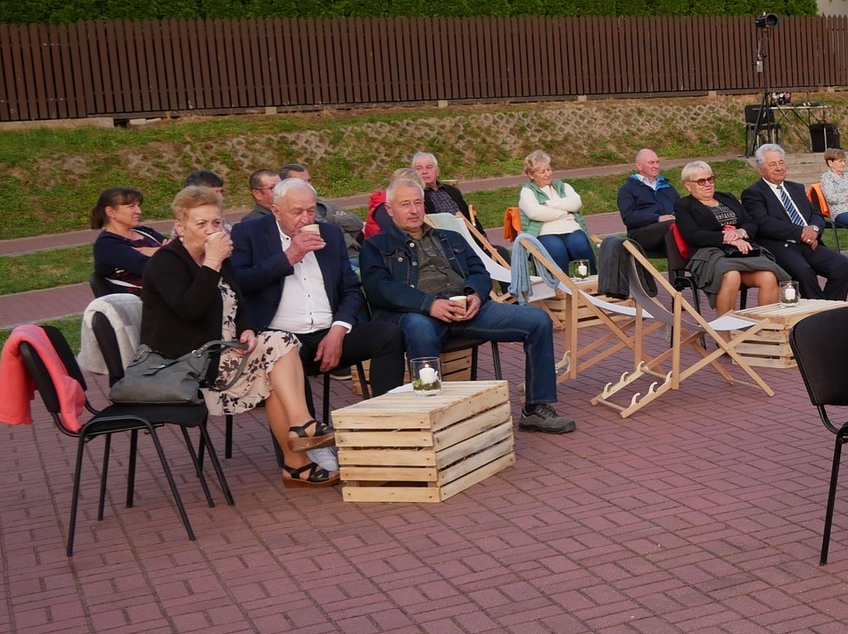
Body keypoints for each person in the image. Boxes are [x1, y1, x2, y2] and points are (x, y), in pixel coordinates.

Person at [139, 184, 338, 486]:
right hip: (187, 362)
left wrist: (246, 328)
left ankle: (298, 452)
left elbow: (240, 302)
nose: (211, 230)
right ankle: (300, 442)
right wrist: (213, 263)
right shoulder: (166, 262)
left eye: (216, 222)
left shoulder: (220, 257)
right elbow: (189, 309)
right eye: (201, 223)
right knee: (280, 346)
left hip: (226, 350)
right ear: (180, 227)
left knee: (277, 349)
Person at [362, 177, 575, 432]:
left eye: (418, 203)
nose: (414, 210)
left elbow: (479, 271)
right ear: (390, 210)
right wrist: (429, 304)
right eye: (405, 204)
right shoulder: (376, 246)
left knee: (537, 320)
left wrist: (475, 294)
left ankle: (536, 408)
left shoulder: (451, 237)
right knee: (418, 329)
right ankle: (431, 420)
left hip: (469, 309)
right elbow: (379, 289)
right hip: (421, 314)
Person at [231, 177, 405, 396]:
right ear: (276, 210)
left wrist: (338, 329)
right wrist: (289, 257)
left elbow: (351, 289)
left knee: (389, 335)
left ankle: (387, 416)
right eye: (296, 212)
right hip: (281, 336)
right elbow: (239, 282)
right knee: (284, 358)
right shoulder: (249, 233)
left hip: (328, 329)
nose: (305, 219)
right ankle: (305, 426)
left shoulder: (329, 234)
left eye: (311, 211)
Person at [740, 143, 848, 301]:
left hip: (809, 243)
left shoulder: (796, 188)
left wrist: (813, 229)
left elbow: (816, 214)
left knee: (843, 266)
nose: (779, 168)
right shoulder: (753, 193)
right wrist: (800, 232)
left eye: (781, 162)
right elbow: (764, 223)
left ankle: (829, 309)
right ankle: (818, 315)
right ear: (761, 169)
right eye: (772, 164)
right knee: (804, 272)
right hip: (782, 247)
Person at [671, 160, 784, 312]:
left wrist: (739, 233)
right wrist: (727, 238)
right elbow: (692, 234)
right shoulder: (684, 205)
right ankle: (724, 333)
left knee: (769, 277)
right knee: (731, 276)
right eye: (700, 181)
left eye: (710, 179)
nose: (707, 184)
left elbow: (751, 223)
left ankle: (768, 330)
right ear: (687, 185)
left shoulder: (727, 198)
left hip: (742, 252)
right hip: (710, 253)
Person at [517, 151, 597, 274]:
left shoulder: (563, 186)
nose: (548, 174)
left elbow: (576, 203)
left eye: (548, 169)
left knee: (580, 246)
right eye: (542, 171)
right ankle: (561, 289)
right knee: (556, 251)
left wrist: (548, 204)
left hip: (572, 229)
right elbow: (535, 212)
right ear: (531, 175)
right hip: (546, 233)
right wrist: (565, 212)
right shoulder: (527, 192)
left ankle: (589, 284)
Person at [90, 186, 166, 294]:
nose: (139, 211)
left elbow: (182, 249)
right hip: (141, 303)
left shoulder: (145, 231)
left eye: (138, 206)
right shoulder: (107, 245)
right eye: (131, 206)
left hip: (168, 293)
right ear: (111, 212)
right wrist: (163, 250)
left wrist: (154, 251)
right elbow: (151, 268)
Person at [615, 148, 681, 259]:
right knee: (671, 226)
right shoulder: (627, 189)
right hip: (640, 234)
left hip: (668, 231)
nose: (656, 166)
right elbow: (629, 218)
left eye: (657, 162)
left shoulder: (668, 187)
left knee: (682, 233)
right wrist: (658, 218)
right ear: (640, 166)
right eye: (651, 163)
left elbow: (680, 208)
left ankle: (680, 276)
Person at [411, 151, 480, 231]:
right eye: (419, 168)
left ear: (437, 171)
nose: (424, 172)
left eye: (429, 167)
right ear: (413, 173)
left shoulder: (452, 190)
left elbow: (468, 214)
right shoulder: (416, 195)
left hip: (467, 233)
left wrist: (481, 234)